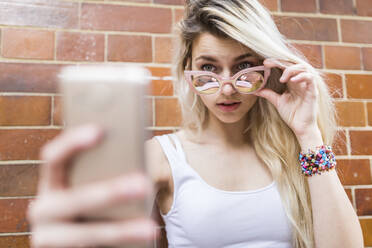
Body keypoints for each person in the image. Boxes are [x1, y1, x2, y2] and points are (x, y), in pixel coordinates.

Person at [27, 0, 364, 247]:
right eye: (209, 68)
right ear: (187, 73)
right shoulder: (162, 156)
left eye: (244, 67)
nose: (227, 87)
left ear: (267, 71)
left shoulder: (295, 153)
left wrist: (308, 134)